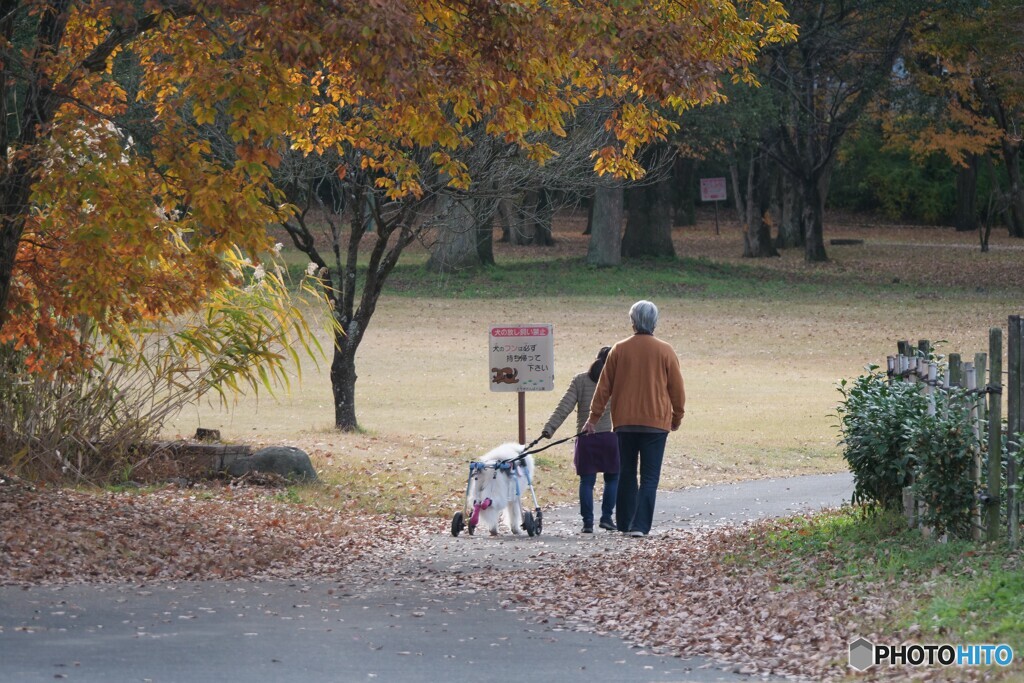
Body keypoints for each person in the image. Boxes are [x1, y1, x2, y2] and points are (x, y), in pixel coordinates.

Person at [583, 300, 685, 537]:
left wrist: (593, 417)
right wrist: (677, 417)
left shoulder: (619, 349)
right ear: (655, 322)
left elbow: (603, 386)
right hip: (656, 424)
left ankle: (626, 522)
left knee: (627, 472)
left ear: (633, 322)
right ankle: (640, 526)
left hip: (625, 422)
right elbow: (677, 389)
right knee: (650, 477)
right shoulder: (665, 350)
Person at [542, 346, 619, 534]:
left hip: (586, 438)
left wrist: (549, 429)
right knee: (612, 479)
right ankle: (607, 518)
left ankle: (587, 522)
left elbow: (564, 407)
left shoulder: (580, 380)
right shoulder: (618, 382)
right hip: (611, 438)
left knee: (587, 482)